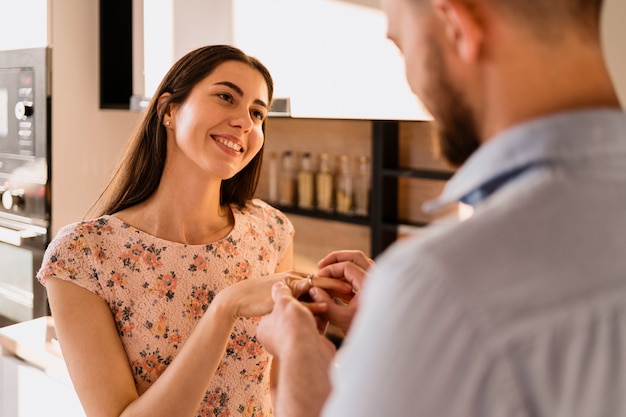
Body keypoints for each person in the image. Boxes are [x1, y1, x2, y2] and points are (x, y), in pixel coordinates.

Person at [257, 0, 626, 415]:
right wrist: (401, 330)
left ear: (457, 26)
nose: (411, 81)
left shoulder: (444, 283)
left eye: (401, 47)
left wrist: (300, 356)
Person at [37, 44, 350, 417]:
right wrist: (225, 308)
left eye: (257, 113)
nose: (246, 122)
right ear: (169, 110)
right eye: (225, 97)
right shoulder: (83, 256)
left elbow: (278, 387)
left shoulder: (271, 232)